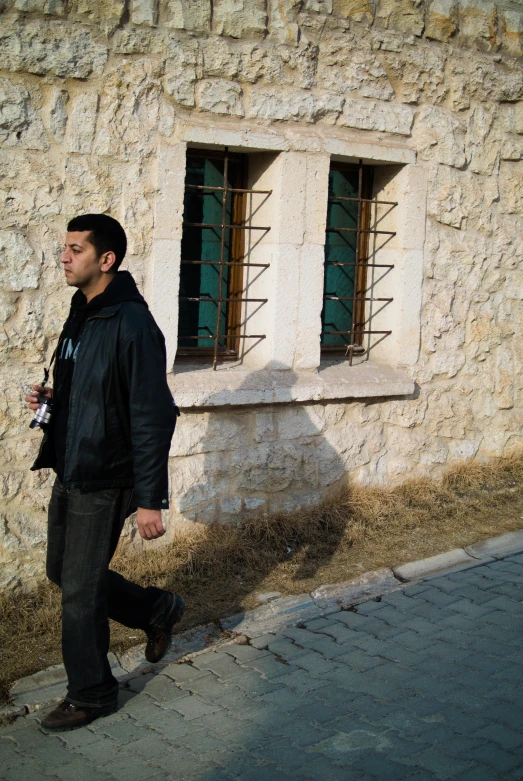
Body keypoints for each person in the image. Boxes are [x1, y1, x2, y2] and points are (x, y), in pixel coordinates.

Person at [25, 214, 184, 732]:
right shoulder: (82, 309)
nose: (64, 258)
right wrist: (56, 398)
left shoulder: (133, 324)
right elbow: (94, 387)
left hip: (107, 474)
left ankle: (92, 692)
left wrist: (149, 499)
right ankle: (156, 610)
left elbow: (151, 413)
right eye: (64, 248)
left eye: (75, 250)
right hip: (74, 463)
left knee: (80, 589)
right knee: (62, 572)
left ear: (106, 260)